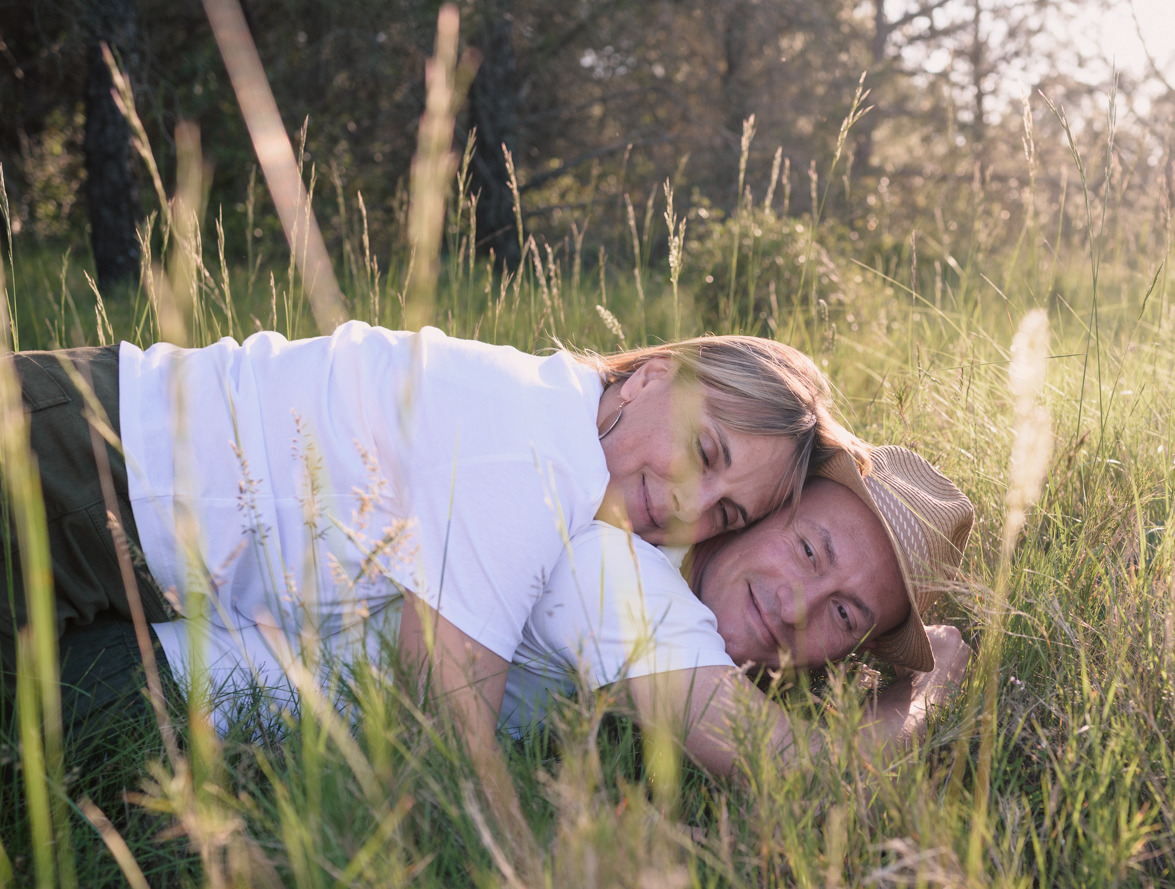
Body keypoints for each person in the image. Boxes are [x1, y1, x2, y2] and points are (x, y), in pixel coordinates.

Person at [0, 324, 844, 762]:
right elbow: (442, 739)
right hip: (65, 466)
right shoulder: (538, 446)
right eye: (707, 453)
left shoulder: (558, 433)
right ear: (657, 373)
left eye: (729, 515)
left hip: (111, 539)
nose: (694, 508)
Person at [181, 443, 975, 776]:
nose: (797, 609)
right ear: (768, 507)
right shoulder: (618, 567)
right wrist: (933, 679)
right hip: (152, 693)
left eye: (843, 616)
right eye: (810, 551)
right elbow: (788, 769)